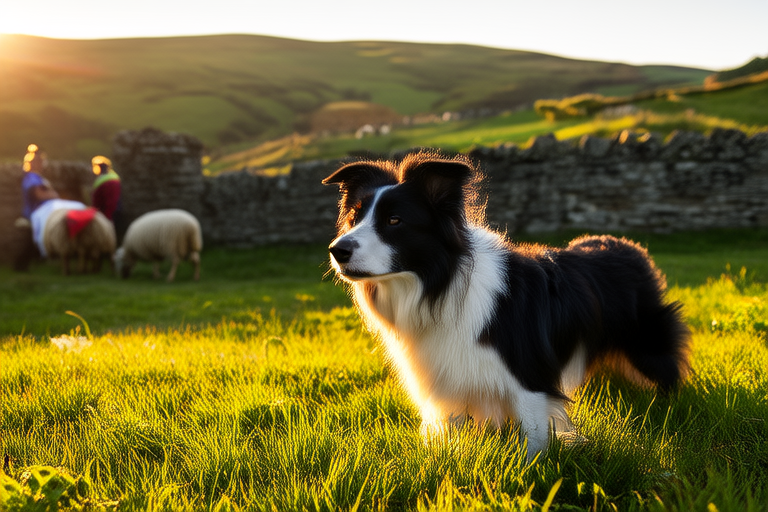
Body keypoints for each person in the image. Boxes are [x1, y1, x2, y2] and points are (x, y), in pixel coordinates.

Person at [90, 155, 121, 222]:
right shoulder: (109, 178)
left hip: (106, 218)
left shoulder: (109, 181)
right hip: (103, 216)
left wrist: (107, 219)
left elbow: (111, 203)